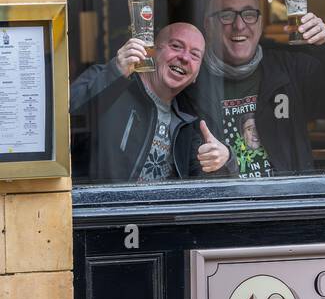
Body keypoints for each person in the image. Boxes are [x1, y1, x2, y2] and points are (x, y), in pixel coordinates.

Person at [188, 0, 325, 177]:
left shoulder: (290, 69)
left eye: (249, 15)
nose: (239, 25)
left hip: (287, 202)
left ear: (261, 22)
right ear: (208, 25)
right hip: (226, 204)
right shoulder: (190, 82)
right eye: (226, 16)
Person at [70, 22, 234, 183]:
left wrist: (225, 160)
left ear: (196, 75)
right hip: (103, 208)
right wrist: (115, 72)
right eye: (176, 46)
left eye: (195, 55)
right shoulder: (108, 78)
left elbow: (205, 191)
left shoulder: (188, 121)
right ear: (151, 52)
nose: (184, 57)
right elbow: (66, 127)